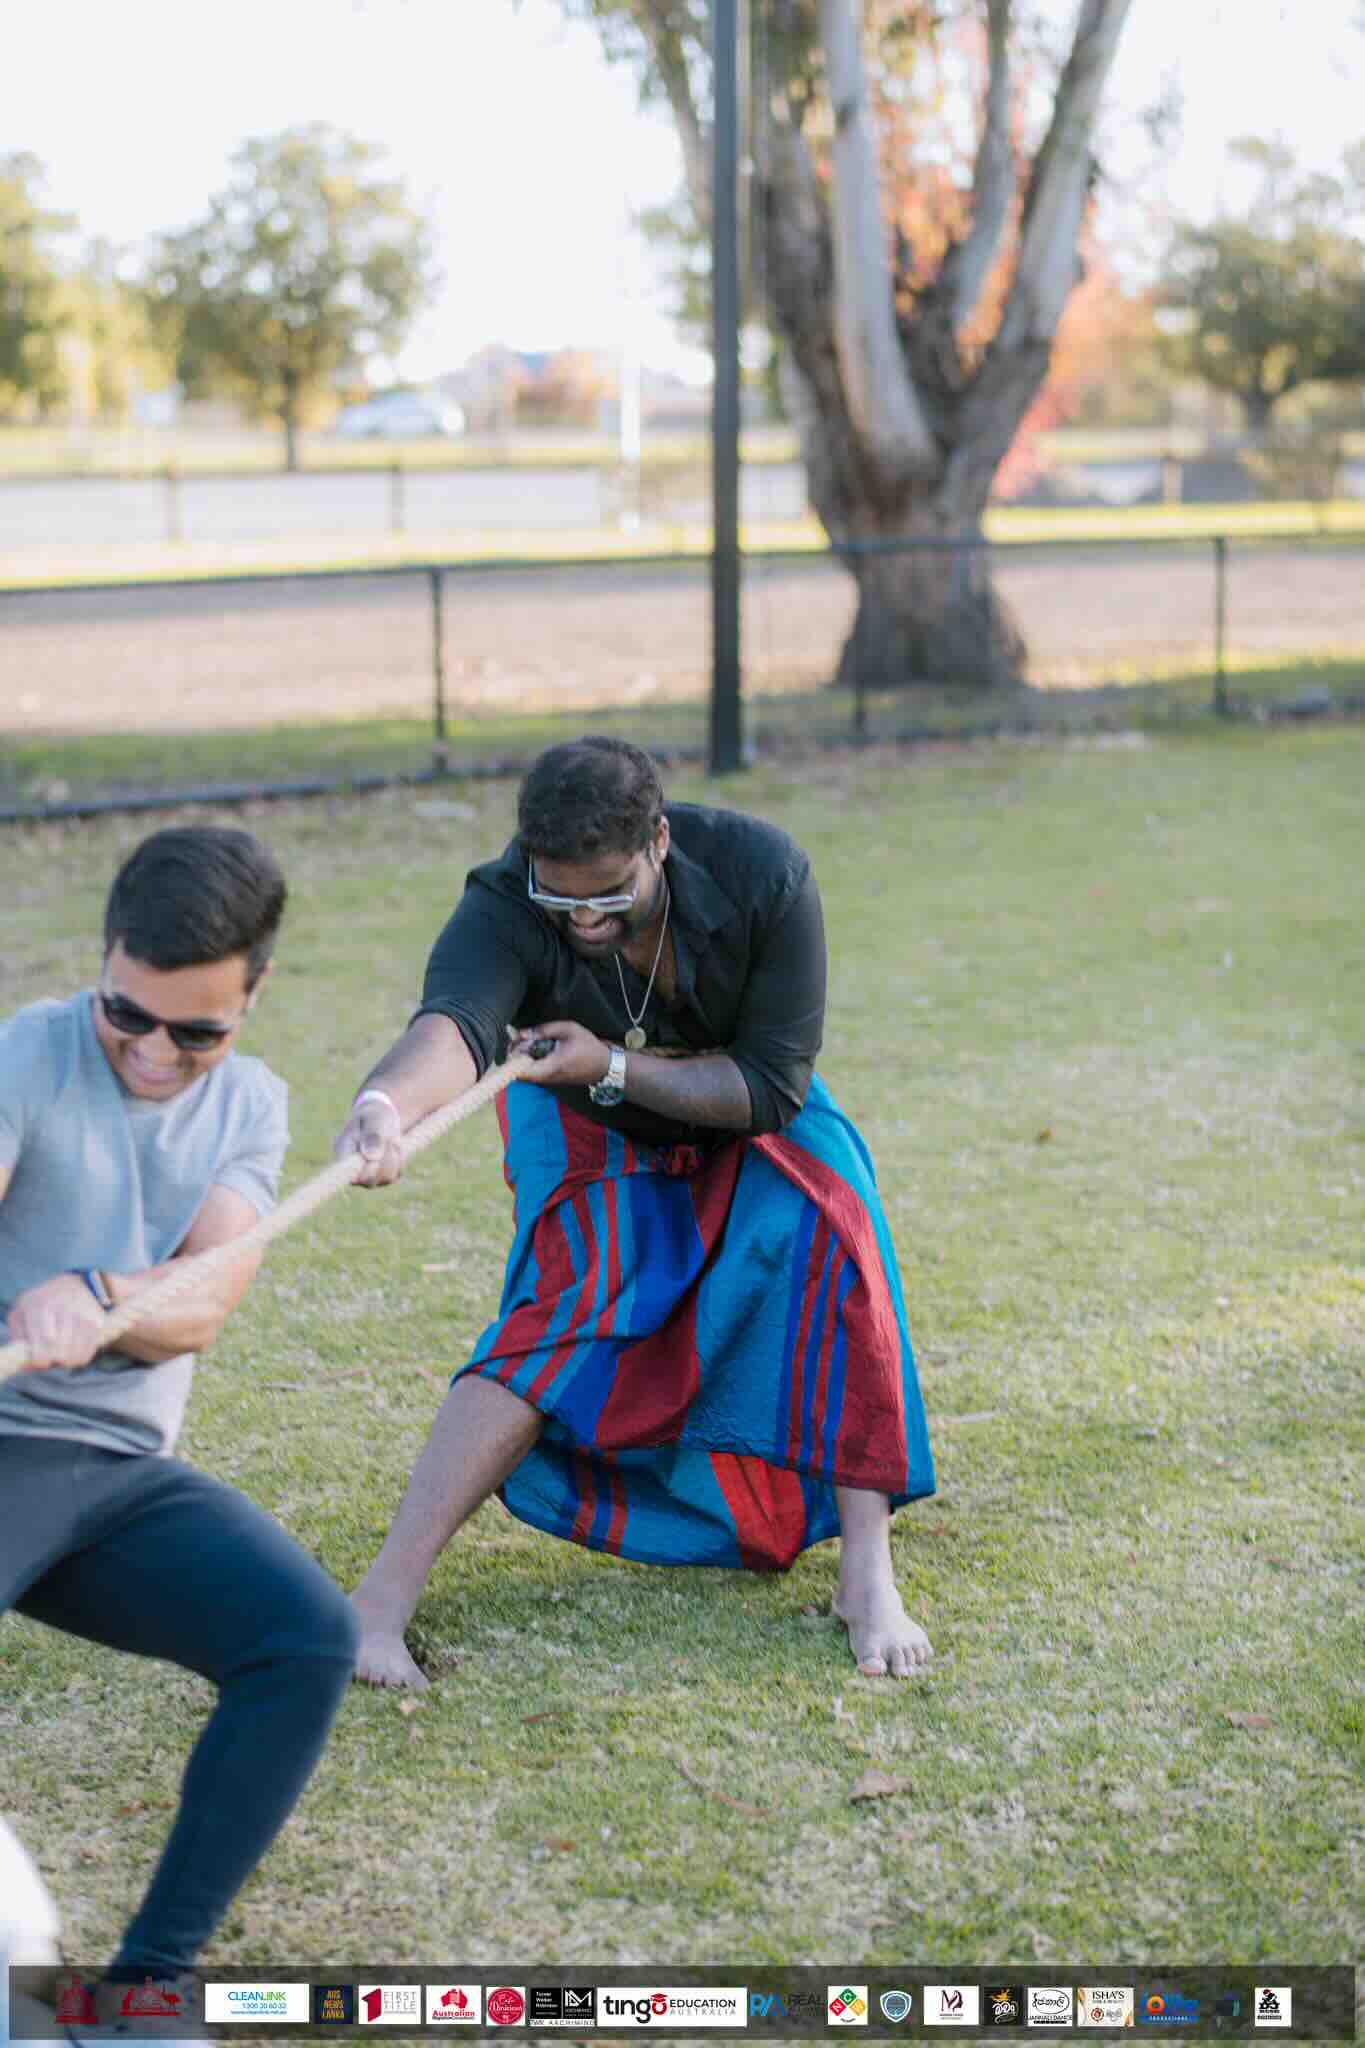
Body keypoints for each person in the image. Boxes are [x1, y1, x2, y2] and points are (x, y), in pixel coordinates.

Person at [335, 737, 935, 1690]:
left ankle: (866, 1571)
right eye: (560, 897)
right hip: (569, 1106)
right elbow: (454, 1021)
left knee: (835, 1224)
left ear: (659, 841)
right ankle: (377, 1605)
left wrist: (615, 1063)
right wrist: (383, 1108)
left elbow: (772, 1089)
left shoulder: (763, 874)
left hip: (730, 1092)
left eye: (608, 896)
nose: (581, 920)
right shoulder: (503, 900)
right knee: (581, 1291)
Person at [0, 827, 358, 2038]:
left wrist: (99, 1296)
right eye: (128, 1014)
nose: (153, 1052)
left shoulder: (253, 1106)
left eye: (194, 1030)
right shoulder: (29, 1051)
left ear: (252, 994)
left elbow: (203, 1297)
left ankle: (147, 1986)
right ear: (103, 965)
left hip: (115, 1472)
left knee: (303, 1636)